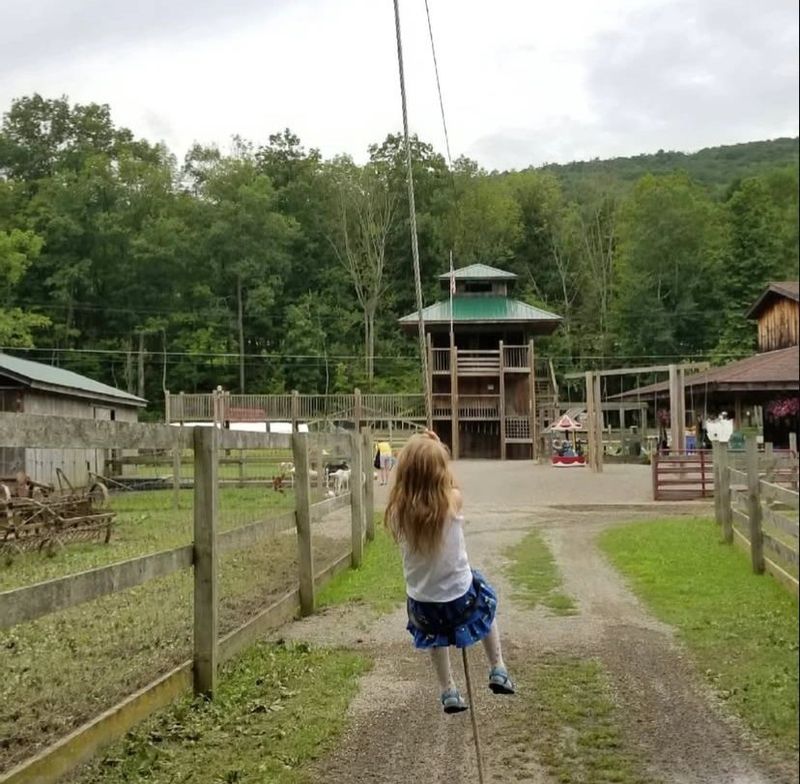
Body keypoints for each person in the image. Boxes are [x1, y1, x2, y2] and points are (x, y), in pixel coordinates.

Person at [384, 431, 515, 714]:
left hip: (422, 608)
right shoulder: (452, 500)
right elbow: (451, 485)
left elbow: (411, 484)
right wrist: (438, 448)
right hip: (459, 601)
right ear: (440, 471)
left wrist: (422, 451)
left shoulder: (398, 511)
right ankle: (498, 667)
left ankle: (448, 690)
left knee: (435, 635)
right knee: (485, 598)